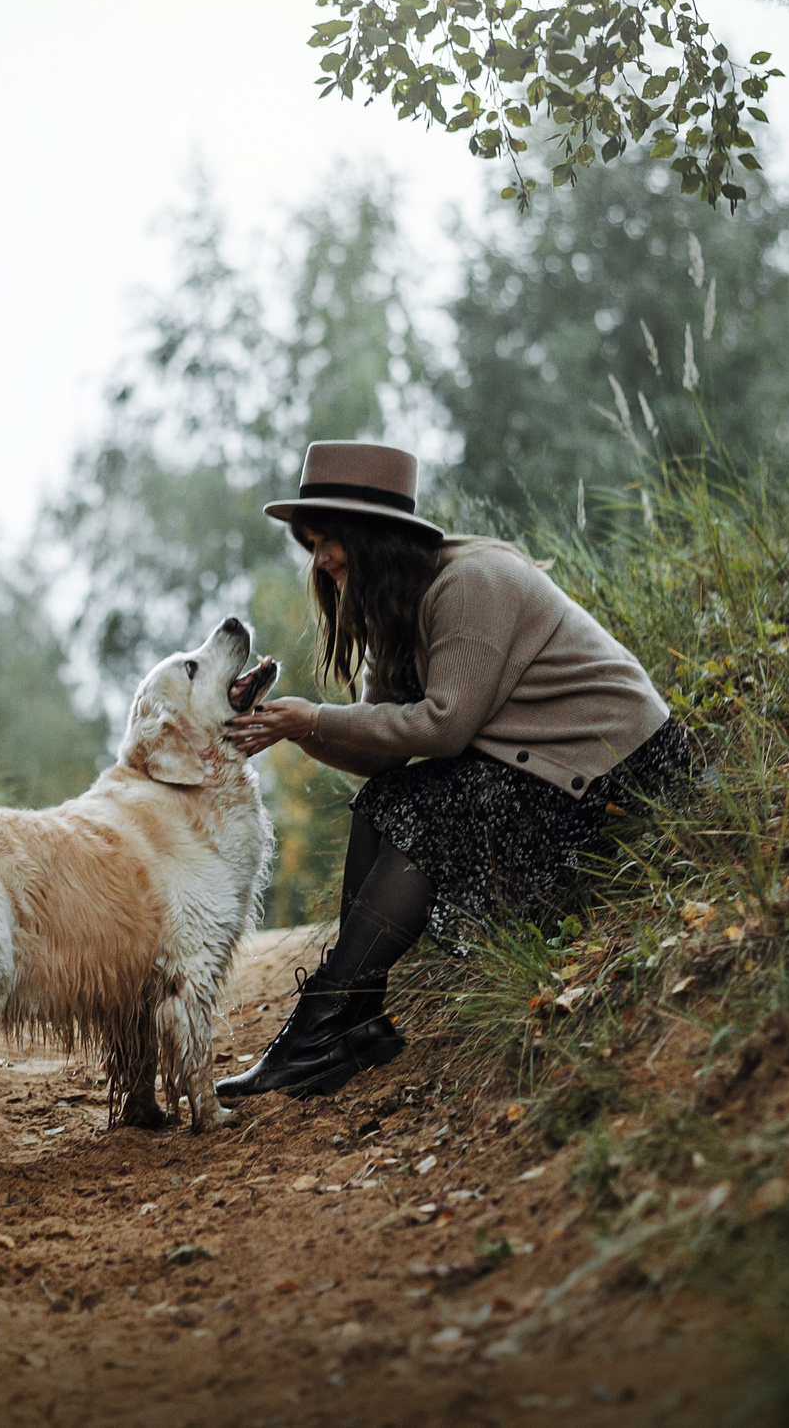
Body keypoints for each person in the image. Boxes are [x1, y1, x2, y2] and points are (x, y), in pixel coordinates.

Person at [218, 440, 699, 1100]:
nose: (321, 556)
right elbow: (382, 754)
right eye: (311, 542)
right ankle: (351, 1023)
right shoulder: (397, 607)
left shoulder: (469, 583)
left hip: (623, 771)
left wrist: (313, 719)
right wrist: (296, 730)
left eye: (332, 538)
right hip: (547, 774)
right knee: (386, 800)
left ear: (376, 535)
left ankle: (321, 1025)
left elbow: (443, 727)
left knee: (426, 812)